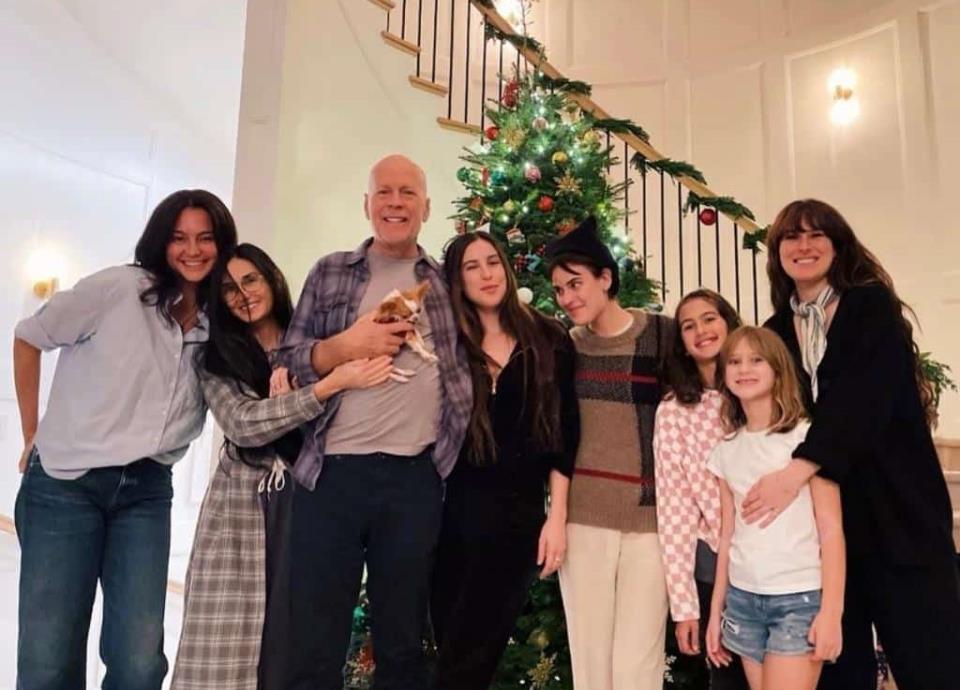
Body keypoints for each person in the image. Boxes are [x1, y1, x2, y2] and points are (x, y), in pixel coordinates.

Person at [13, 189, 237, 690]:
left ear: (222, 245)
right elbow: (29, 336)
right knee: (48, 661)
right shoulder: (118, 289)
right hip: (66, 485)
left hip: (146, 491)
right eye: (179, 238)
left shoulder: (219, 323)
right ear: (160, 242)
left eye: (205, 238)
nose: (193, 250)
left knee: (139, 664)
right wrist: (30, 433)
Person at [275, 154, 472, 690]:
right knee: (314, 641)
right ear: (367, 204)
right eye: (384, 192)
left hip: (414, 479)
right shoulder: (330, 271)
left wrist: (441, 466)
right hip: (330, 477)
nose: (395, 202)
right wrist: (346, 345)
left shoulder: (447, 283)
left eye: (408, 192)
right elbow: (288, 359)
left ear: (426, 207)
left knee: (403, 644)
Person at [748, 199, 960, 690]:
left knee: (933, 660)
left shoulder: (870, 305)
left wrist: (796, 471)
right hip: (828, 526)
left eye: (816, 235)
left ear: (838, 245)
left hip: (899, 510)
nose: (803, 246)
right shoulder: (775, 331)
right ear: (777, 252)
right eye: (791, 237)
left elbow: (864, 399)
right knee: (840, 670)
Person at [169, 244, 394, 690]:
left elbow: (347, 419)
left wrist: (312, 390)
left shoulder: (314, 344)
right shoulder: (214, 358)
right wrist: (323, 389)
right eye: (228, 288)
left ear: (271, 278)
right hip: (240, 509)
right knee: (227, 646)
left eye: (250, 280)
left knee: (296, 638)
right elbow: (243, 424)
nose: (242, 294)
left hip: (311, 500)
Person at [430, 231, 580, 690]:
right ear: (457, 280)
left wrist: (557, 516)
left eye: (492, 262)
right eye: (472, 267)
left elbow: (564, 433)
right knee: (451, 650)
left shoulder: (549, 337)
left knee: (478, 654)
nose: (486, 274)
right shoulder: (444, 343)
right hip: (448, 516)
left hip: (517, 518)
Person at [545, 216, 674, 690]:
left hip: (653, 521)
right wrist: (556, 517)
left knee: (638, 664)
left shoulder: (663, 335)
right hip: (583, 521)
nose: (567, 297)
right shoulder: (564, 347)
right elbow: (556, 436)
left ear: (605, 277)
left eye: (575, 283)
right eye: (559, 290)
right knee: (591, 662)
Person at [704, 326, 845, 690]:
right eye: (734, 361)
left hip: (797, 599)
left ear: (778, 370)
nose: (744, 369)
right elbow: (727, 535)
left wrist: (832, 613)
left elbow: (831, 530)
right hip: (743, 600)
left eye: (756, 360)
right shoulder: (725, 450)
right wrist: (716, 612)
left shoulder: (807, 439)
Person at [654, 289, 748, 689]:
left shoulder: (760, 390)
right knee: (728, 681)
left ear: (729, 323)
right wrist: (685, 607)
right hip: (714, 565)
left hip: (777, 561)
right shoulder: (674, 412)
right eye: (688, 326)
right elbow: (674, 511)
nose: (701, 331)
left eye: (709, 318)